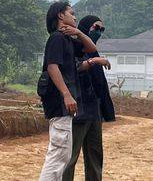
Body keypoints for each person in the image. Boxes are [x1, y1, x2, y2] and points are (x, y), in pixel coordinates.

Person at [39, 2, 99, 181]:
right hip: (59, 102)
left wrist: (79, 33)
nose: (75, 17)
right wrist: (66, 94)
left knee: (62, 155)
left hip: (63, 104)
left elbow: (91, 49)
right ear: (60, 15)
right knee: (58, 155)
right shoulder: (57, 38)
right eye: (71, 13)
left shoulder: (67, 39)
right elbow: (52, 67)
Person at [62, 15, 114, 181]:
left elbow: (99, 85)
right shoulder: (75, 47)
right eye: (95, 28)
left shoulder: (92, 50)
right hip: (79, 109)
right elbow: (72, 69)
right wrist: (93, 61)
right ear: (84, 28)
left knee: (95, 156)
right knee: (71, 156)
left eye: (101, 29)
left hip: (94, 110)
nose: (98, 32)